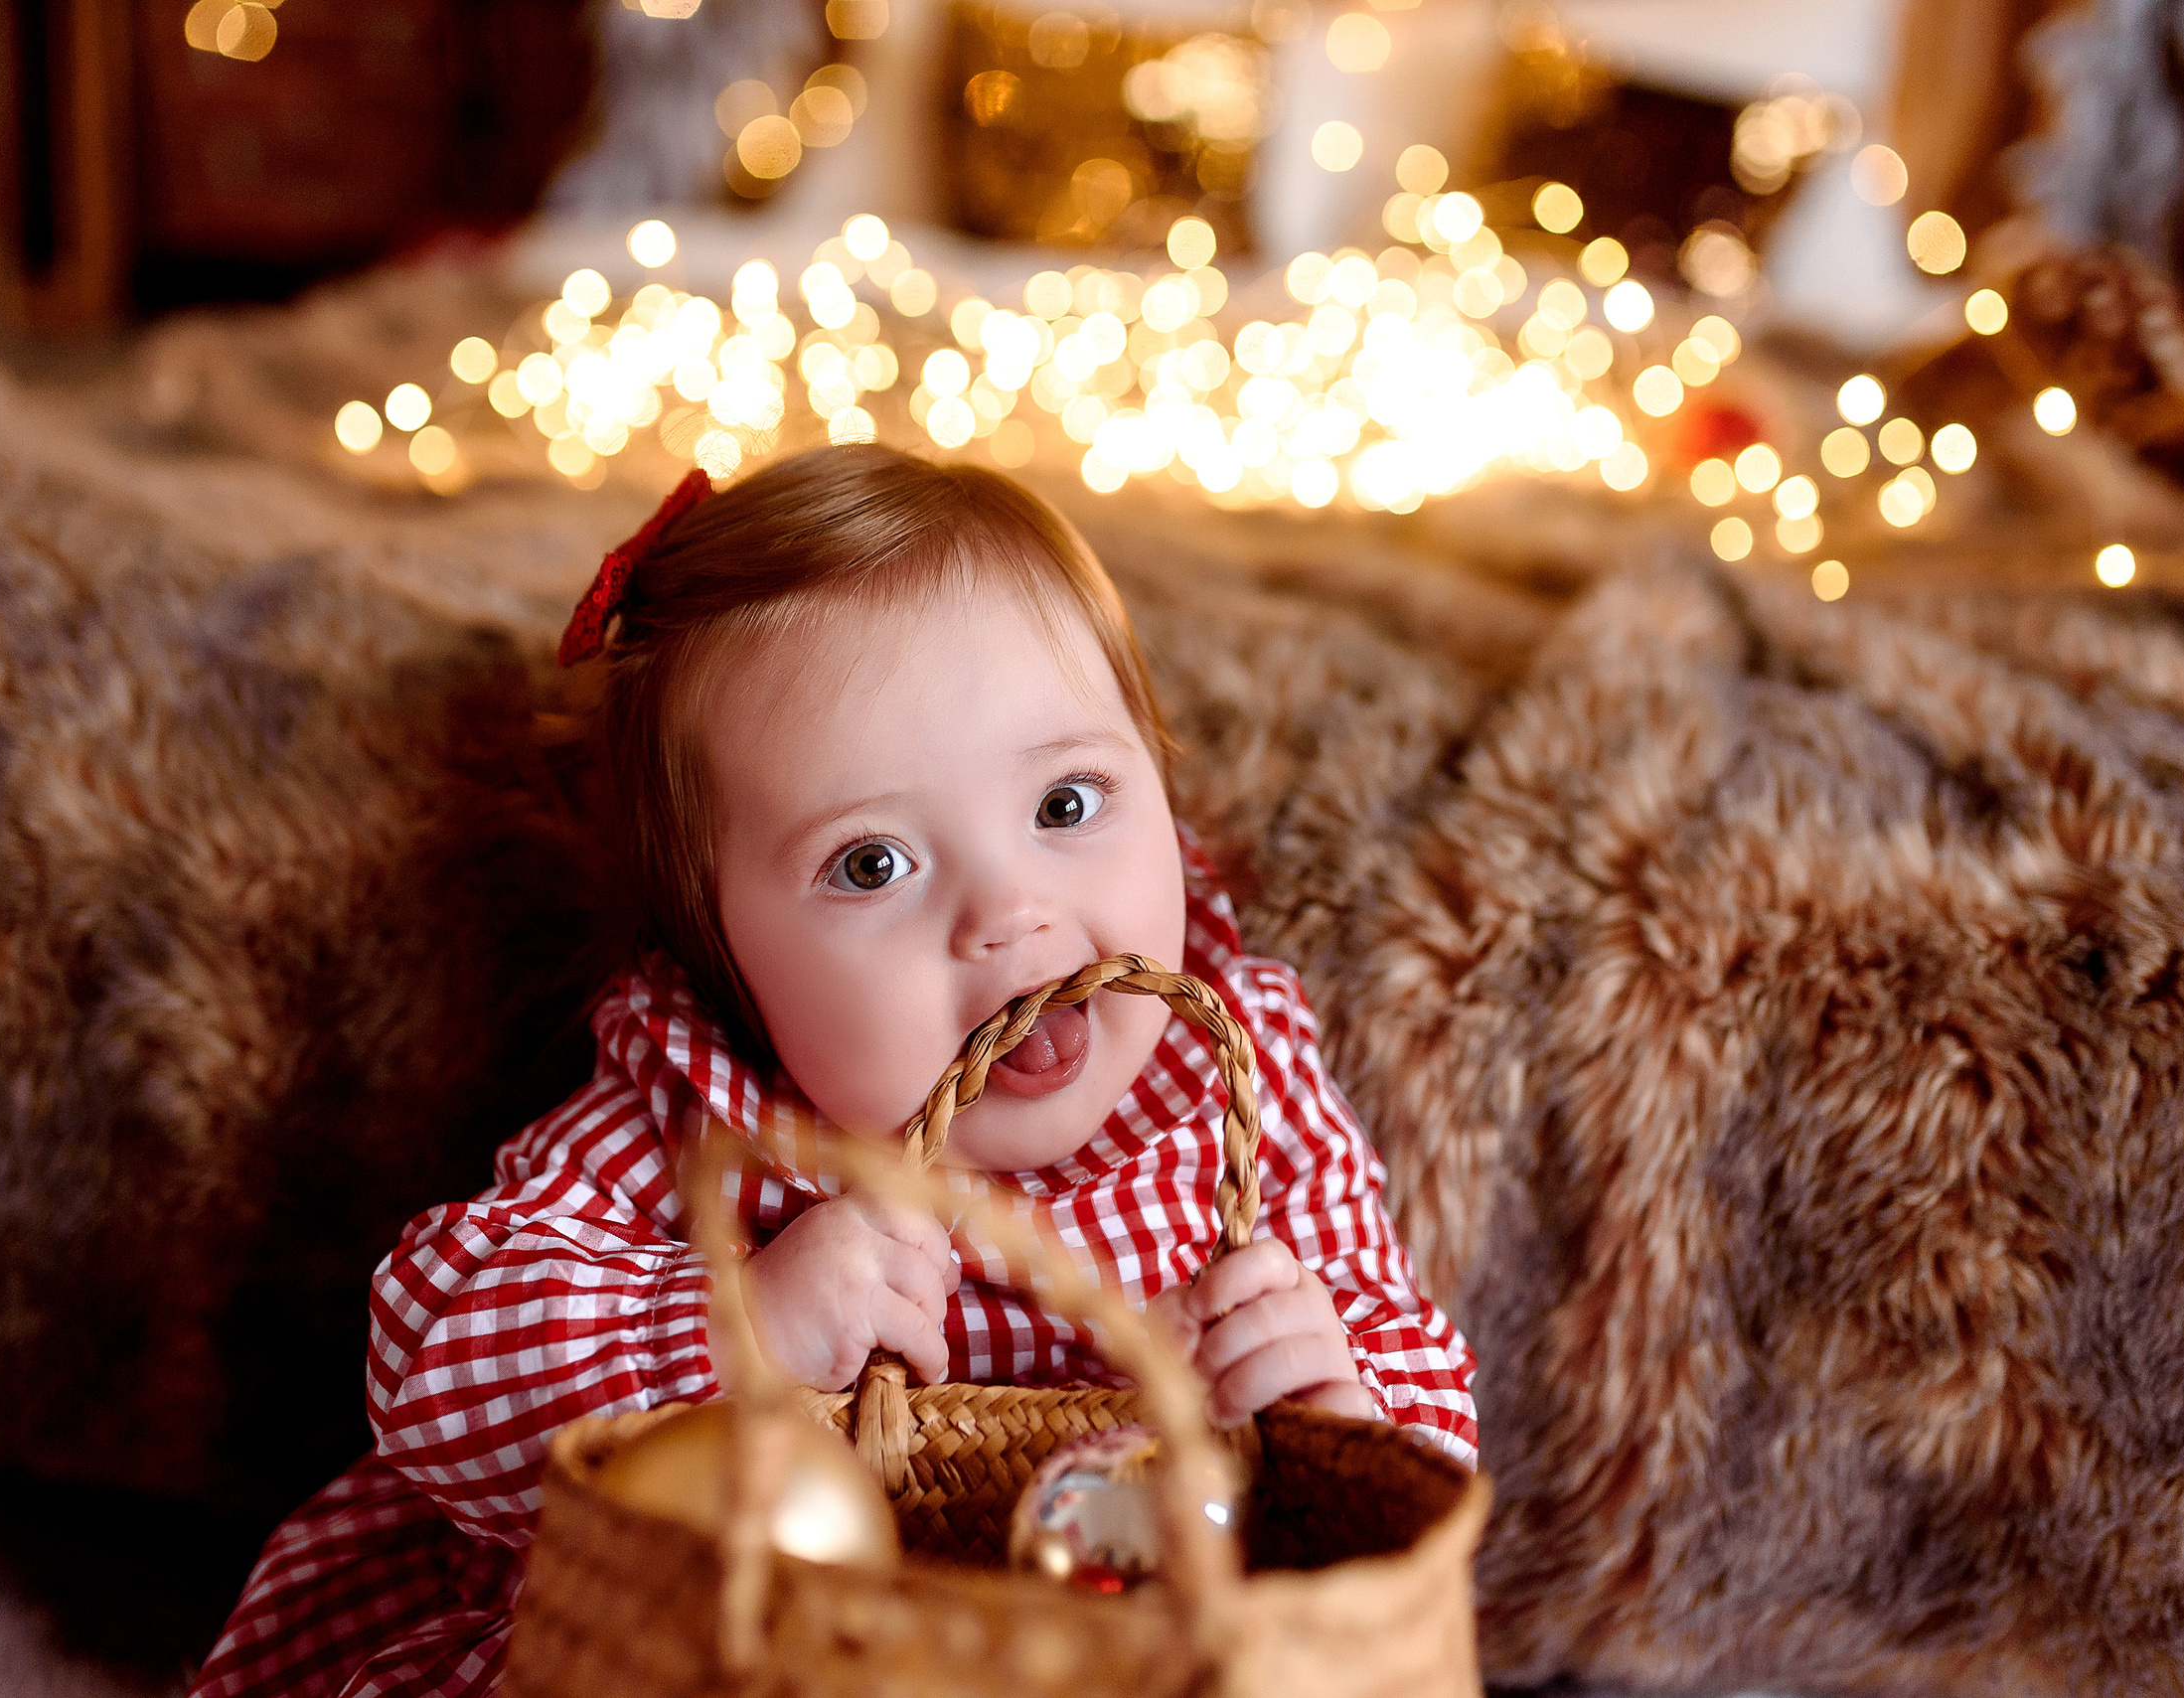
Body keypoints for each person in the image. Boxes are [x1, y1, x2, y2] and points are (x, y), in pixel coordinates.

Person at [190, 445, 1476, 1697]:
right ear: (724, 961)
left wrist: (1339, 1416)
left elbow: (1417, 1385)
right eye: (872, 864)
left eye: (1067, 804)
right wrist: (740, 1323)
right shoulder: (707, 1119)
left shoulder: (1229, 1083)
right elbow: (438, 1379)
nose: (1010, 913)